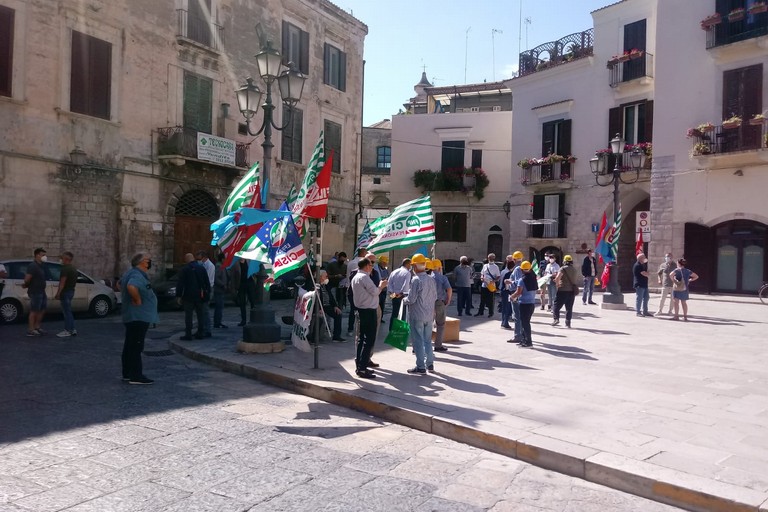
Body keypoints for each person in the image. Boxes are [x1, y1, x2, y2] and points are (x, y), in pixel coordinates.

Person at [120, 252, 158, 384]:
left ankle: (127, 373)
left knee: (129, 345)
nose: (149, 262)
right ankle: (136, 376)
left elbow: (119, 285)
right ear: (142, 262)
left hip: (132, 315)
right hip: (138, 316)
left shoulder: (129, 273)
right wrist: (137, 299)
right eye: (148, 260)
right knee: (136, 346)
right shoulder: (136, 275)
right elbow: (131, 286)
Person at [351, 258, 387, 379]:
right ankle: (362, 367)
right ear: (366, 266)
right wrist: (381, 286)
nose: (372, 267)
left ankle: (361, 364)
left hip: (362, 309)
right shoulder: (364, 277)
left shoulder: (356, 277)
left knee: (362, 338)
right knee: (369, 339)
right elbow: (375, 291)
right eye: (371, 265)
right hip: (368, 310)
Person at [404, 254, 437, 374]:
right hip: (428, 315)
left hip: (417, 314)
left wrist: (403, 299)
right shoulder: (431, 279)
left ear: (415, 267)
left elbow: (411, 299)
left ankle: (420, 366)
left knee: (418, 341)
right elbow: (435, 297)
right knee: (428, 340)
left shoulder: (416, 280)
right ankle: (430, 364)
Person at [176, 253, 211, 340]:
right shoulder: (201, 268)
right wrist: (208, 293)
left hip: (188, 296)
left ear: (186, 260)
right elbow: (207, 282)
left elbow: (180, 284)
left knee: (188, 315)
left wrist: (179, 296)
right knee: (200, 315)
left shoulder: (184, 269)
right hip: (200, 295)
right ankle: (200, 333)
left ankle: (188, 334)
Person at [509, 261, 538, 348]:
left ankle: (528, 342)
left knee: (525, 324)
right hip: (532, 303)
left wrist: (512, 297)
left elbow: (518, 292)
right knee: (526, 322)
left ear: (522, 269)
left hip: (524, 303)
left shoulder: (522, 280)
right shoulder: (533, 278)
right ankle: (524, 340)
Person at [23, 248, 48, 337]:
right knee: (34, 310)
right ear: (37, 255)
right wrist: (26, 284)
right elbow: (27, 278)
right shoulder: (32, 266)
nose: (45, 257)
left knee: (42, 309)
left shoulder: (41, 266)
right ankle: (31, 329)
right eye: (43, 255)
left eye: (45, 255)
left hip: (41, 291)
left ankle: (37, 327)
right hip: (35, 291)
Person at [54, 251, 78, 337]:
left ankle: (67, 330)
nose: (61, 259)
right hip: (71, 291)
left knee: (66, 312)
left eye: (62, 258)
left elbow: (62, 283)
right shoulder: (73, 269)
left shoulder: (65, 269)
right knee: (69, 311)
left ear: (66, 259)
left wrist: (58, 293)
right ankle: (72, 329)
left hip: (65, 292)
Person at [431, 259, 452, 353]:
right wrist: (448, 299)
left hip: (428, 303)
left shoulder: (428, 277)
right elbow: (449, 289)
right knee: (440, 324)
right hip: (439, 302)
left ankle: (424, 344)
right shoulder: (443, 278)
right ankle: (438, 345)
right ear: (439, 268)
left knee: (427, 324)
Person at [552, 255, 580, 328]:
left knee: (556, 305)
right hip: (571, 291)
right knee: (569, 308)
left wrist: (557, 284)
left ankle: (556, 319)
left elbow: (557, 278)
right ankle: (568, 323)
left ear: (564, 261)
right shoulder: (574, 269)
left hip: (562, 290)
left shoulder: (562, 269)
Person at [317, 269, 345, 341]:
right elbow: (315, 298)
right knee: (319, 318)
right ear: (320, 277)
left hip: (327, 305)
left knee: (338, 315)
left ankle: (336, 336)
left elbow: (331, 296)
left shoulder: (326, 285)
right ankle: (315, 338)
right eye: (325, 276)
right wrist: (319, 308)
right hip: (319, 306)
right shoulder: (316, 285)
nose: (327, 278)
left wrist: (335, 306)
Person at [387, 258, 412, 329]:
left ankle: (391, 330)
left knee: (394, 313)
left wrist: (393, 293)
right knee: (402, 314)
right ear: (408, 264)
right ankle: (399, 332)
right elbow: (406, 285)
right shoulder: (407, 273)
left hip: (393, 295)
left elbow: (389, 283)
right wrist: (401, 294)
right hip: (402, 296)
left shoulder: (394, 271)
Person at [506, 252, 525, 342]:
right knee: (521, 316)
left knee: (517, 316)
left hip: (516, 294)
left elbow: (518, 282)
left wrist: (509, 282)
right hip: (523, 295)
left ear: (514, 259)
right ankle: (523, 334)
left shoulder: (517, 268)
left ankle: (517, 336)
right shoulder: (524, 267)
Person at [196, 250, 215, 336]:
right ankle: (202, 328)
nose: (198, 260)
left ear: (204, 258)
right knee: (201, 310)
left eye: (199, 259)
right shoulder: (203, 265)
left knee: (205, 310)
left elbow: (207, 279)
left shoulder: (210, 266)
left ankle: (207, 330)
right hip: (203, 288)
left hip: (207, 289)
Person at [475, 253, 500, 317]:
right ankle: (480, 312)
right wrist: (481, 277)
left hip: (491, 286)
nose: (490, 259)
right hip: (484, 285)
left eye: (492, 258)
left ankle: (490, 313)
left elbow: (498, 276)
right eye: (489, 258)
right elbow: (482, 273)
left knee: (491, 300)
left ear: (493, 259)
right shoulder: (485, 266)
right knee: (482, 299)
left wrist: (493, 281)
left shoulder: (496, 267)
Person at [234, 258, 256, 326]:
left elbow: (254, 271)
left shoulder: (249, 261)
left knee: (252, 301)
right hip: (241, 284)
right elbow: (233, 275)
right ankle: (243, 320)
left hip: (250, 283)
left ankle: (253, 319)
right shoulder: (236, 263)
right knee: (242, 303)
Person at [633, 253, 652, 317]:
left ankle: (645, 311)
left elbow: (647, 272)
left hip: (644, 284)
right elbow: (644, 273)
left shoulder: (643, 265)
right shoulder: (637, 265)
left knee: (646, 297)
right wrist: (648, 274)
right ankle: (638, 312)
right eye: (644, 257)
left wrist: (647, 273)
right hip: (639, 284)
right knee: (639, 298)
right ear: (640, 258)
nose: (645, 258)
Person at [213, 253, 229, 328]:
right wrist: (223, 284)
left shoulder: (222, 266)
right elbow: (216, 278)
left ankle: (218, 321)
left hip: (221, 290)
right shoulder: (219, 266)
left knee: (220, 307)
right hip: (219, 289)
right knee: (219, 307)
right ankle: (217, 322)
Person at [377, 255, 390, 321]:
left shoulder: (386, 270)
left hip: (384, 290)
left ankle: (380, 318)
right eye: (383, 262)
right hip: (379, 290)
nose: (385, 264)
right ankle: (377, 317)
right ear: (380, 262)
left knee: (382, 305)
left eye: (385, 263)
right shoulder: (377, 269)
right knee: (377, 304)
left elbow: (388, 277)